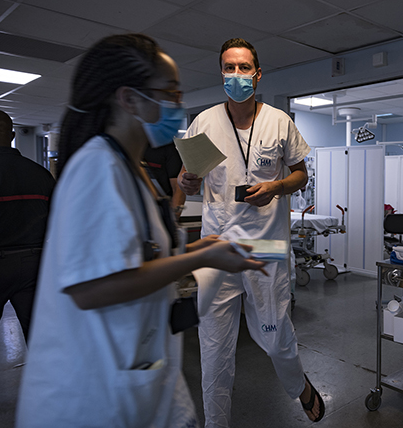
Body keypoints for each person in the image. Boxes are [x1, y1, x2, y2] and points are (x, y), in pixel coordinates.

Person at [16, 34, 265, 428]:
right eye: (168, 93)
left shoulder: (134, 172)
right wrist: (201, 257)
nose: (177, 105)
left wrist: (202, 246)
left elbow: (140, 257)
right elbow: (92, 287)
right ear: (129, 99)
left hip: (138, 373)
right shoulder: (96, 169)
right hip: (89, 398)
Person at [177, 38, 324, 426]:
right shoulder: (204, 122)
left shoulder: (279, 121)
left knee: (275, 337)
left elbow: (300, 175)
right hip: (217, 247)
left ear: (258, 74)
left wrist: (275, 187)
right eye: (229, 67)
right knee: (213, 348)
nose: (236, 75)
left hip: (265, 245)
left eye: (244, 68)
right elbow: (186, 178)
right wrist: (187, 182)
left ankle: (299, 385)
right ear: (221, 73)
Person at [0, 110, 55, 343]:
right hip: (35, 264)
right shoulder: (40, 174)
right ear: (12, 135)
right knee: (40, 340)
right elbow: (57, 222)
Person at [144, 143, 187, 219]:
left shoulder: (169, 149)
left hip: (160, 211)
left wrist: (173, 220)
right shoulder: (128, 148)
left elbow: (178, 188)